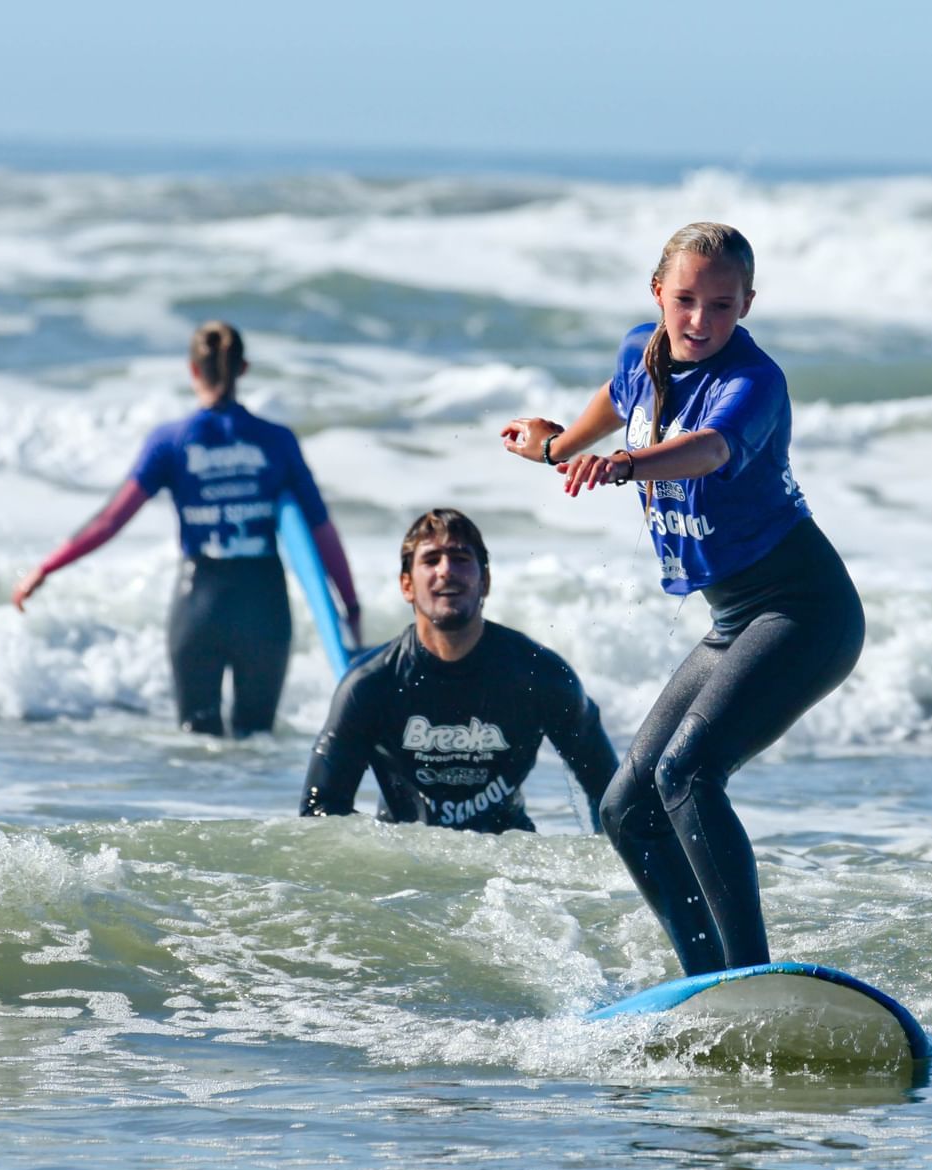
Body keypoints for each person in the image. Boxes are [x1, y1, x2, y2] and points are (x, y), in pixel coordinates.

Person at [498, 222, 863, 977]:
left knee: (688, 774)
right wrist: (557, 448)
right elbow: (618, 394)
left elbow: (709, 449)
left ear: (748, 305)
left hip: (804, 611)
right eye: (686, 300)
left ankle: (752, 979)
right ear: (657, 293)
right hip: (734, 621)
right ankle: (707, 980)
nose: (701, 321)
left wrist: (625, 464)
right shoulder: (642, 349)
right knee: (627, 805)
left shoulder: (753, 384)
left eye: (723, 306)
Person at [13, 321, 360, 738]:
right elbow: (320, 531)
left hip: (199, 603)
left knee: (198, 746)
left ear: (193, 371)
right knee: (256, 742)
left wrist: (46, 568)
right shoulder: (276, 441)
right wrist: (350, 607)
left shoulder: (171, 442)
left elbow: (111, 520)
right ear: (243, 369)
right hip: (263, 604)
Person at [300, 508, 618, 833]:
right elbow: (320, 812)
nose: (446, 570)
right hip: (405, 869)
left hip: (512, 869)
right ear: (407, 585)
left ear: (486, 581)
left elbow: (611, 795)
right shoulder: (371, 684)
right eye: (431, 559)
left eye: (460, 557)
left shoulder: (539, 676)